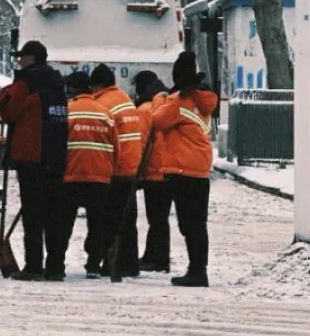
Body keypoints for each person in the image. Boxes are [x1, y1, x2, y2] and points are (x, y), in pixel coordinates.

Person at [0, 39, 68, 280]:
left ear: (32, 58)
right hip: (56, 155)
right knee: (54, 214)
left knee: (33, 213)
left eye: (22, 57)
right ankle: (56, 267)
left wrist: (8, 92)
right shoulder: (58, 83)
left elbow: (8, 111)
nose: (19, 61)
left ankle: (34, 266)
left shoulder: (27, 81)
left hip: (31, 155)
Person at [154, 50, 219, 287]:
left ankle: (197, 271)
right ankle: (199, 268)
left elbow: (157, 120)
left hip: (183, 169)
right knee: (197, 223)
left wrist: (160, 99)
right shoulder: (204, 101)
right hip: (200, 169)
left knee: (188, 224)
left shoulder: (179, 102)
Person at [46, 69, 117, 279]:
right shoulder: (105, 113)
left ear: (72, 89)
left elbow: (55, 144)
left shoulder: (67, 111)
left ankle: (56, 266)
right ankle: (93, 265)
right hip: (100, 177)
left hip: (71, 175)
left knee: (62, 223)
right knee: (97, 224)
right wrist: (110, 171)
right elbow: (116, 147)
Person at [89, 63, 145, 278]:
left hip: (116, 168)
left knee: (111, 219)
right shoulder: (125, 99)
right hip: (132, 167)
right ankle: (130, 263)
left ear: (98, 85)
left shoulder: (103, 104)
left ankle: (112, 263)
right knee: (128, 220)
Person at [134, 70, 172, 273]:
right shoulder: (168, 106)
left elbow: (141, 143)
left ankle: (159, 259)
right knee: (161, 217)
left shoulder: (144, 110)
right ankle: (154, 256)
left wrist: (136, 172)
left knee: (156, 218)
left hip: (154, 170)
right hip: (170, 169)